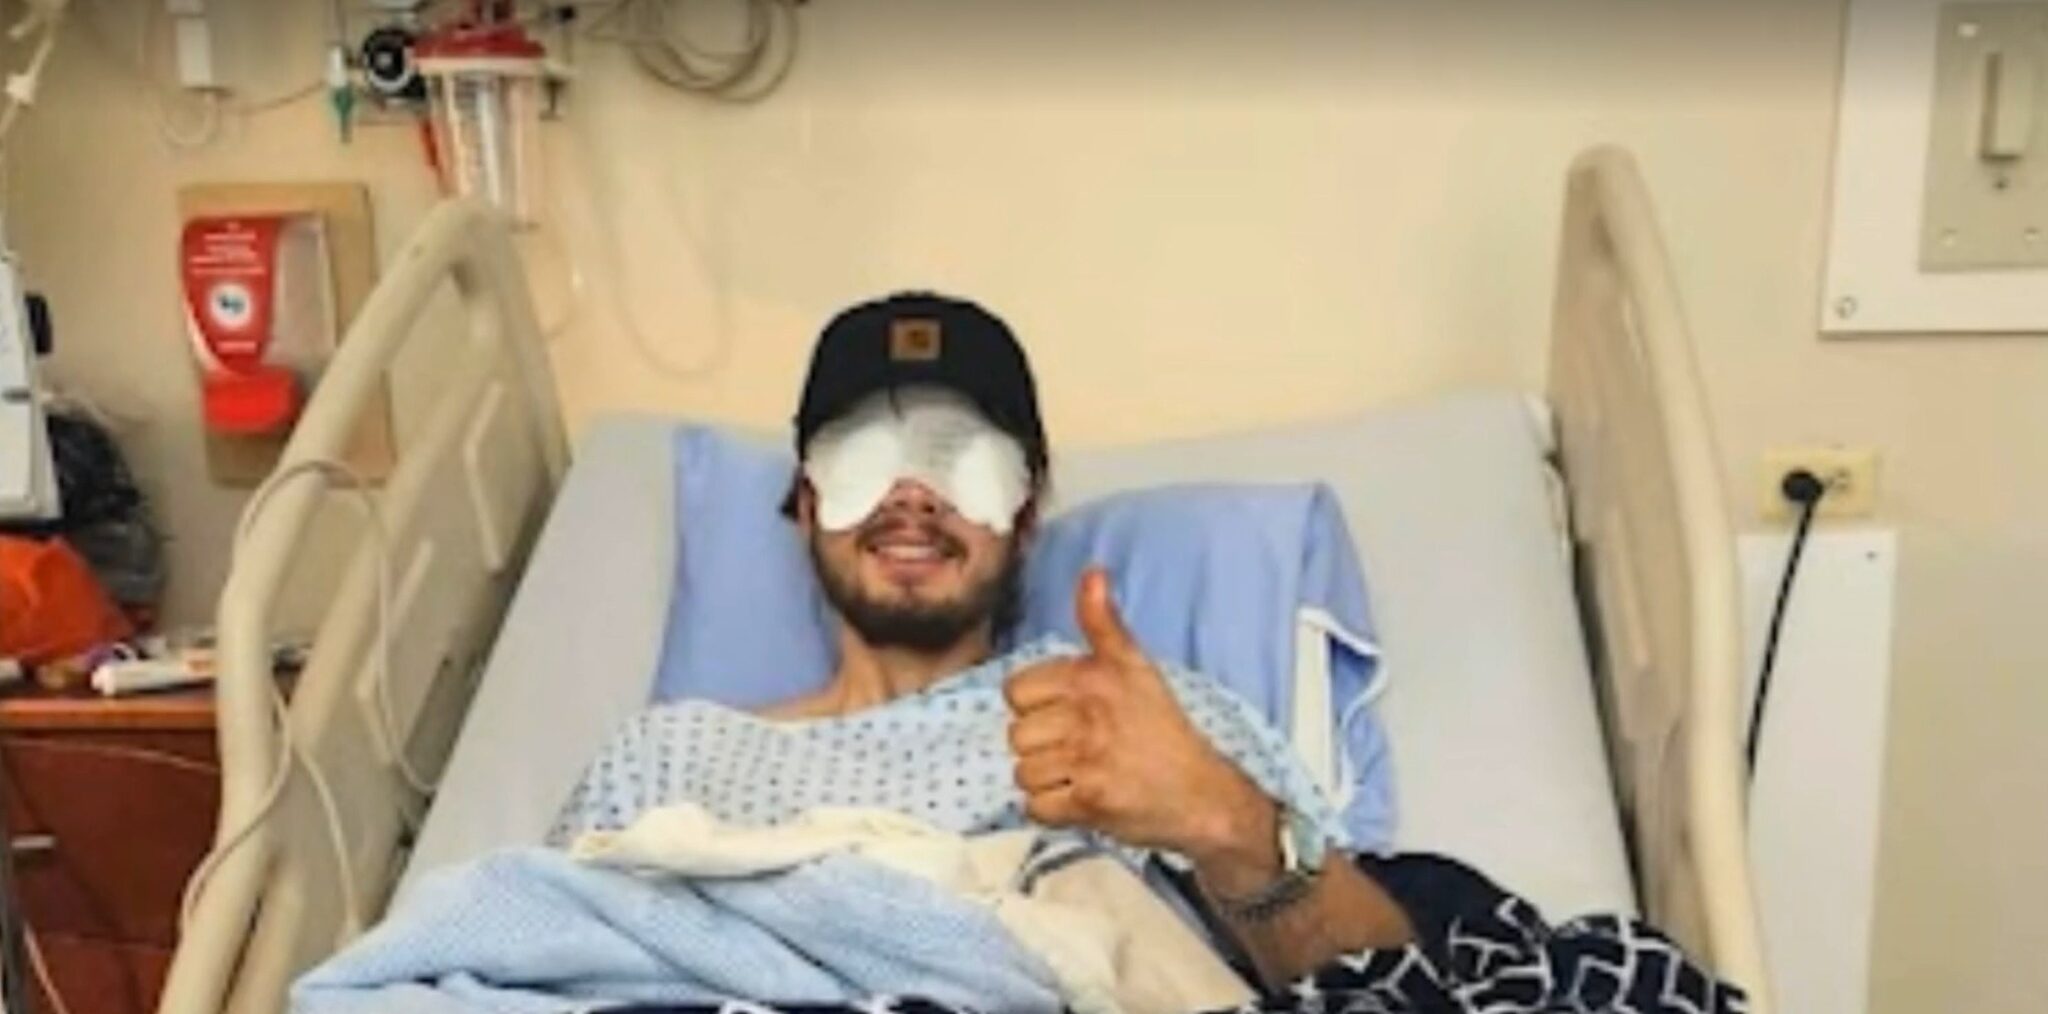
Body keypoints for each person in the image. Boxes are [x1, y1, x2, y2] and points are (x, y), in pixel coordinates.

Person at [547, 293, 1744, 1012]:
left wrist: (1227, 823)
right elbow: (523, 956)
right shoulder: (665, 758)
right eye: (866, 457)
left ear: (1027, 512)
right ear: (804, 503)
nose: (912, 494)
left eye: (961, 461)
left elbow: (1379, 988)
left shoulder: (1146, 721)